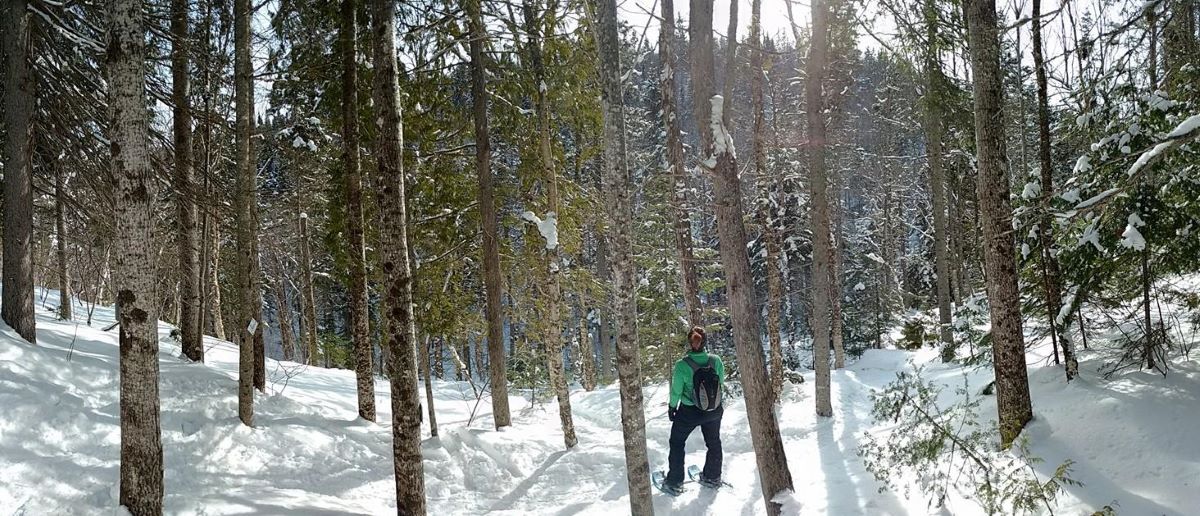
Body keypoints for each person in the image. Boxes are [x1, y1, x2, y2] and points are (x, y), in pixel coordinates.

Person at [664, 326, 725, 492]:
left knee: (677, 443)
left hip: (689, 412)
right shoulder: (716, 360)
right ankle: (712, 477)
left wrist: (672, 408)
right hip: (714, 410)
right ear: (705, 342)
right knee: (714, 442)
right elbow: (721, 383)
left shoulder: (682, 365)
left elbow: (676, 390)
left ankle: (675, 481)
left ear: (690, 343)